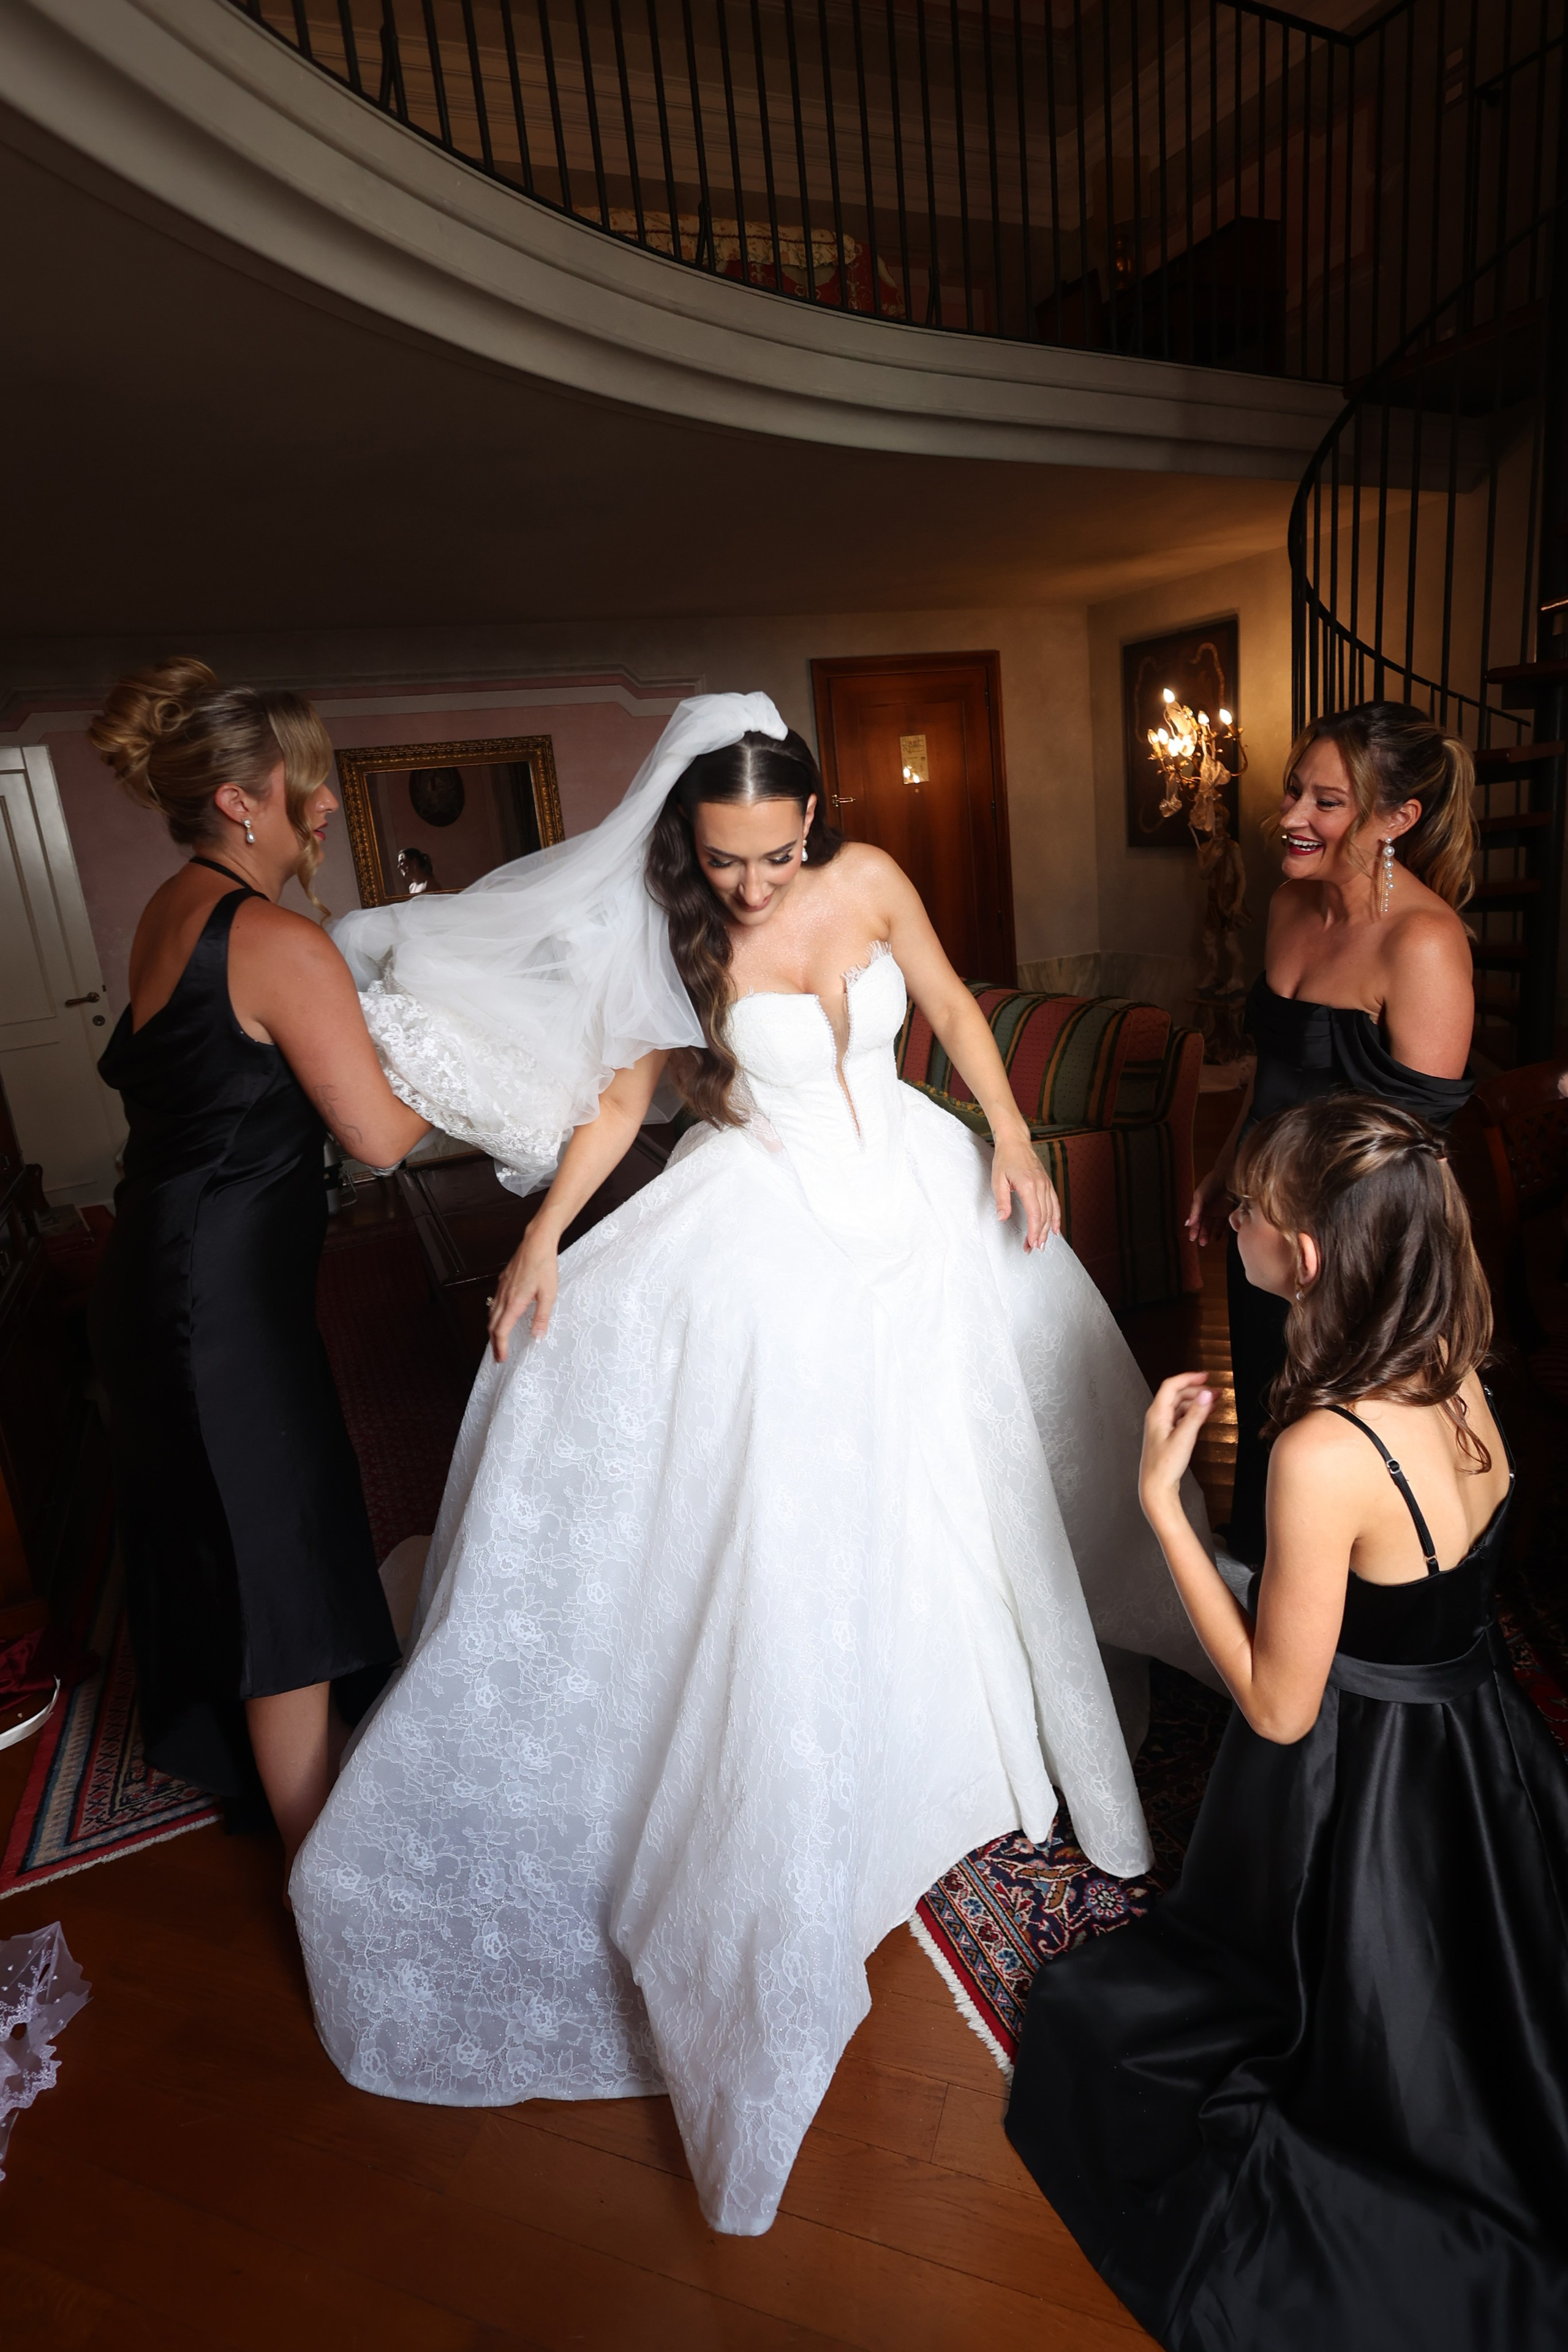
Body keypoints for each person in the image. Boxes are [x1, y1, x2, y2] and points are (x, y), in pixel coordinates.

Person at [291, 692, 1217, 2236]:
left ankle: (987, 1726)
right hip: (772, 1230)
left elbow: (951, 1007)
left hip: (917, 1201)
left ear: (812, 822)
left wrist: (1006, 1132)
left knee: (981, 1472)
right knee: (800, 1511)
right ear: (689, 841)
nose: (752, 884)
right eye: (724, 859)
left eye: (776, 854)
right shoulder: (677, 934)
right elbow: (624, 1099)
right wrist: (539, 1237)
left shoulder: (871, 881)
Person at [1006, 1094, 1568, 2349]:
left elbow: (1276, 1704)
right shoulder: (1457, 1363)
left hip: (1373, 1793)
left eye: (1247, 1212)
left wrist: (1164, 1508)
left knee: (1115, 2033)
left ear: (1303, 1256)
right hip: (1483, 1754)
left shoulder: (1324, 1450)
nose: (1229, 1226)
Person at [89, 658, 429, 1879]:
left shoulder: (166, 909)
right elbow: (380, 1139)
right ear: (244, 800)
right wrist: (473, 1067)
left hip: (154, 1284)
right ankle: (319, 1881)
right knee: (278, 1559)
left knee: (228, 1535)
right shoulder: (277, 940)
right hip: (221, 1308)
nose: (327, 802)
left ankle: (289, 1792)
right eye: (311, 781)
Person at [1187, 703, 1476, 1562]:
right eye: (1292, 792)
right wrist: (1227, 1170)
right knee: (1266, 1410)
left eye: (1327, 802)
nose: (1292, 817)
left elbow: (1414, 1147)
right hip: (1263, 1223)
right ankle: (1259, 1586)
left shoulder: (1425, 942)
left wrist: (1325, 1249)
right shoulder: (1285, 905)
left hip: (1353, 1250)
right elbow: (1271, 1073)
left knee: (1332, 1447)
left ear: (1397, 818)